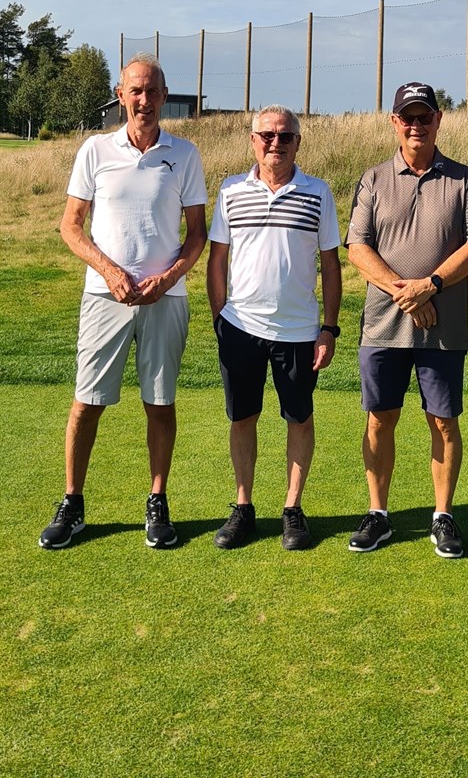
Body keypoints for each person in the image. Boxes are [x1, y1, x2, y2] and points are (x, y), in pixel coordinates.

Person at [39, 53, 208, 551]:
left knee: (160, 403)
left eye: (153, 91)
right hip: (103, 297)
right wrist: (110, 272)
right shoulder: (95, 150)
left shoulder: (185, 154)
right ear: (120, 96)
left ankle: (157, 501)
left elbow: (197, 234)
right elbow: (71, 226)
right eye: (136, 90)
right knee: (87, 402)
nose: (144, 100)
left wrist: (168, 278)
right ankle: (72, 503)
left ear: (164, 96)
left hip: (166, 299)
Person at [344, 82, 468, 558]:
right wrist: (407, 293)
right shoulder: (373, 178)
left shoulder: (463, 179)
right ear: (394, 122)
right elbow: (357, 248)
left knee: (444, 422)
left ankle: (443, 516)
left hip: (442, 329)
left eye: (424, 116)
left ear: (438, 120)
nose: (416, 125)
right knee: (379, 419)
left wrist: (431, 285)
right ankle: (378, 514)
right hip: (382, 326)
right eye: (407, 117)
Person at [207, 105, 342, 551]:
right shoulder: (230, 190)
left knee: (299, 419)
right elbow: (218, 259)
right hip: (240, 327)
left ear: (298, 142)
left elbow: (331, 265)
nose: (275, 143)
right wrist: (219, 318)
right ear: (253, 140)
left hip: (299, 332)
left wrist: (329, 329)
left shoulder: (318, 192)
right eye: (267, 135)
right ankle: (243, 507)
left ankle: (292, 509)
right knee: (242, 417)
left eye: (285, 136)